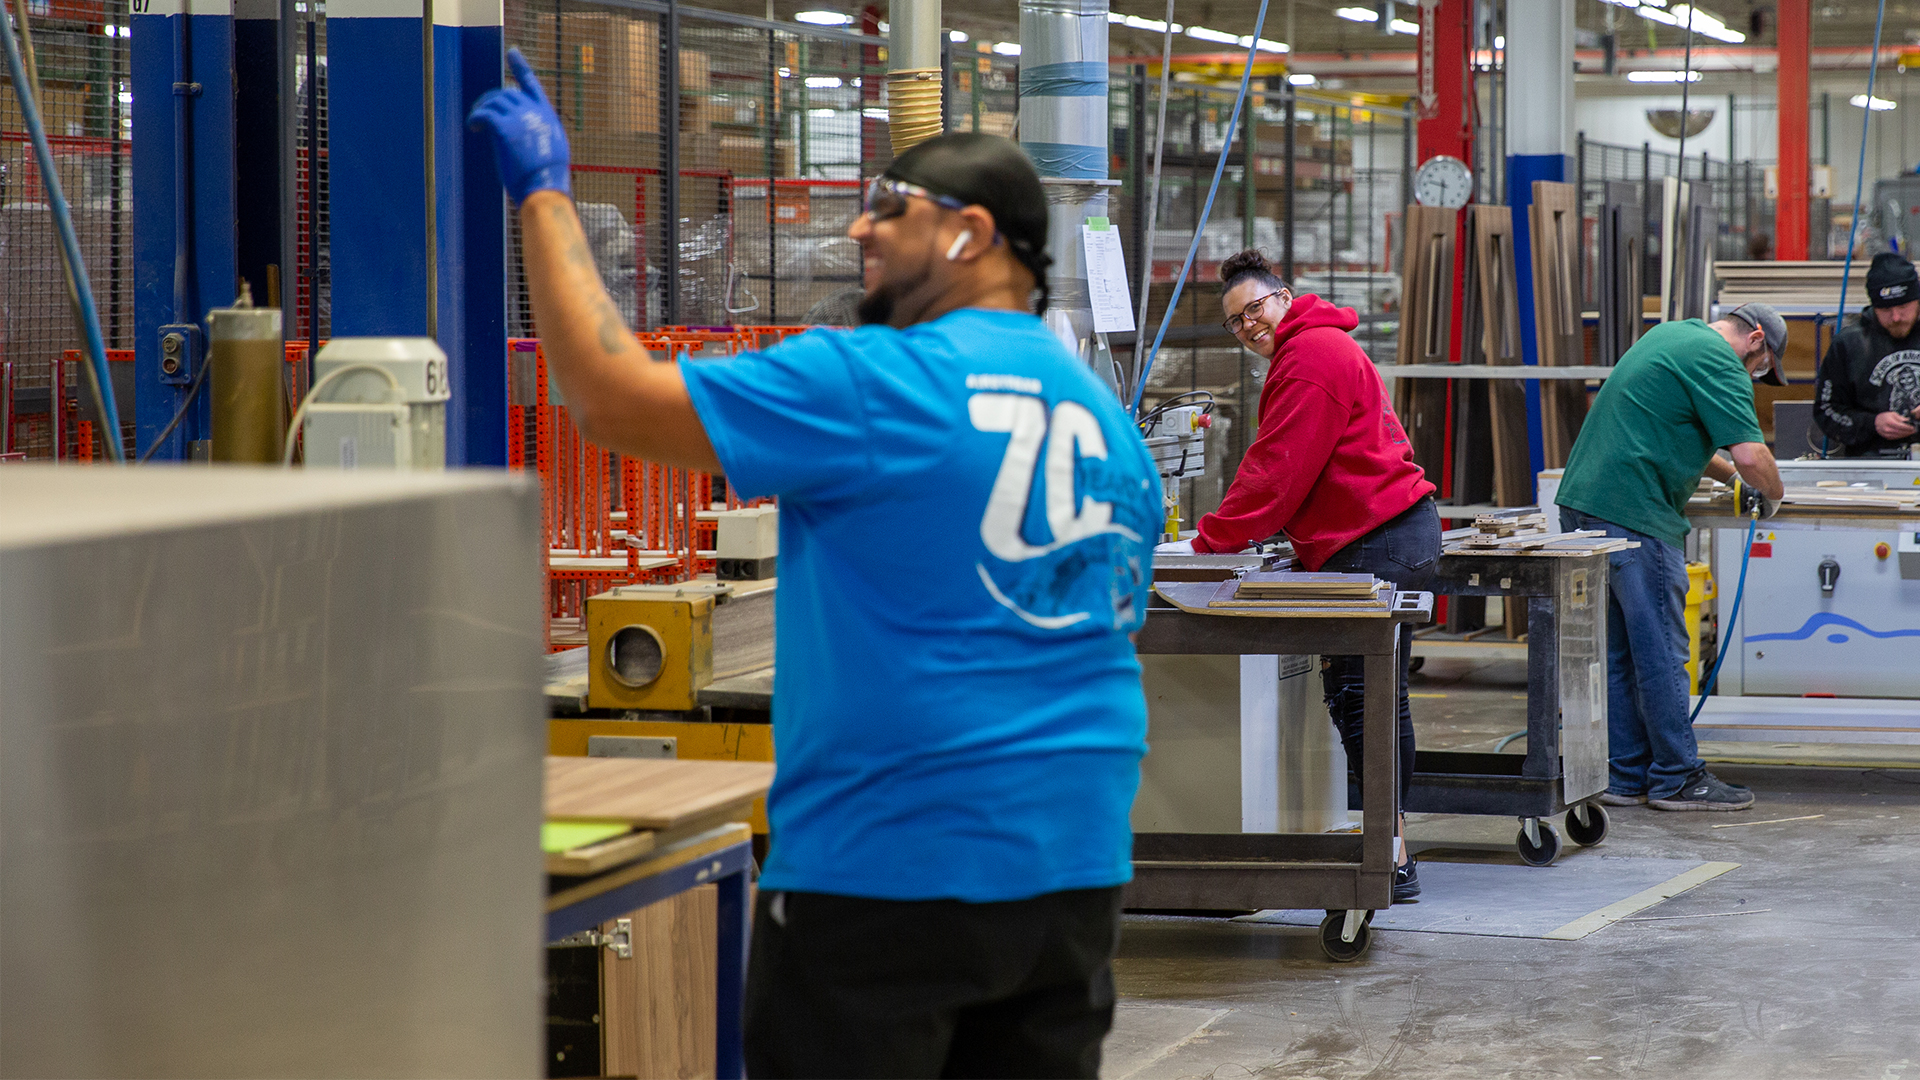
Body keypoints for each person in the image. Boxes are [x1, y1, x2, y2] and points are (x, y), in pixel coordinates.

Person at [470, 53, 1161, 1079]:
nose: (858, 230)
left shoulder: (877, 380)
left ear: (969, 236)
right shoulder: (1108, 424)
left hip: (889, 870)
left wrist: (544, 196)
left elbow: (608, 396)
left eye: (891, 209)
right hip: (1073, 869)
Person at [1156, 250, 1438, 902]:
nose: (1248, 326)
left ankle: (1387, 856)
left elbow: (1276, 473)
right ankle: (1389, 845)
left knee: (1365, 696)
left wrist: (1209, 544)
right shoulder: (1315, 349)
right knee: (1369, 695)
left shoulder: (1309, 358)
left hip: (1379, 539)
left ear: (1284, 297)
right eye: (1234, 322)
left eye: (1254, 309)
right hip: (1379, 533)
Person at [1555, 304, 1787, 812]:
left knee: (1621, 650)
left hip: (1586, 501)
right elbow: (1753, 454)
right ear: (1754, 340)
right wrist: (1772, 494)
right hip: (1634, 511)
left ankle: (1626, 775)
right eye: (1763, 366)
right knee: (1661, 648)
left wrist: (1730, 480)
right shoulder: (1720, 361)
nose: (1756, 374)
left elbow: (1680, 430)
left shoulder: (1674, 339)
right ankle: (1678, 775)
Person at [1812, 251, 1920, 457]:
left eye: (1904, 306)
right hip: (1870, 463)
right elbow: (1826, 410)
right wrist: (1873, 424)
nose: (1896, 317)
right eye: (1886, 310)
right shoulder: (1849, 343)